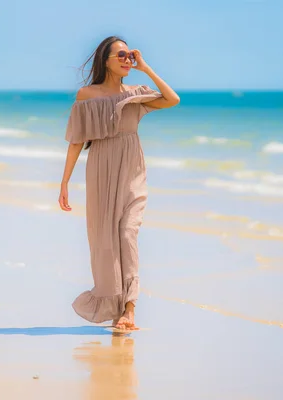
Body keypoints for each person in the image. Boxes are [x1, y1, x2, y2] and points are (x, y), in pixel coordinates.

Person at [58, 36, 180, 330]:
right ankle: (116, 309)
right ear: (106, 60)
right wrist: (64, 183)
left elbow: (172, 99)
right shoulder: (87, 95)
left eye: (130, 55)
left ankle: (130, 308)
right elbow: (77, 141)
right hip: (100, 169)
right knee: (106, 241)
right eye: (122, 55)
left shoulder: (136, 92)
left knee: (127, 233)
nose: (127, 60)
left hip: (132, 169)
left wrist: (145, 67)